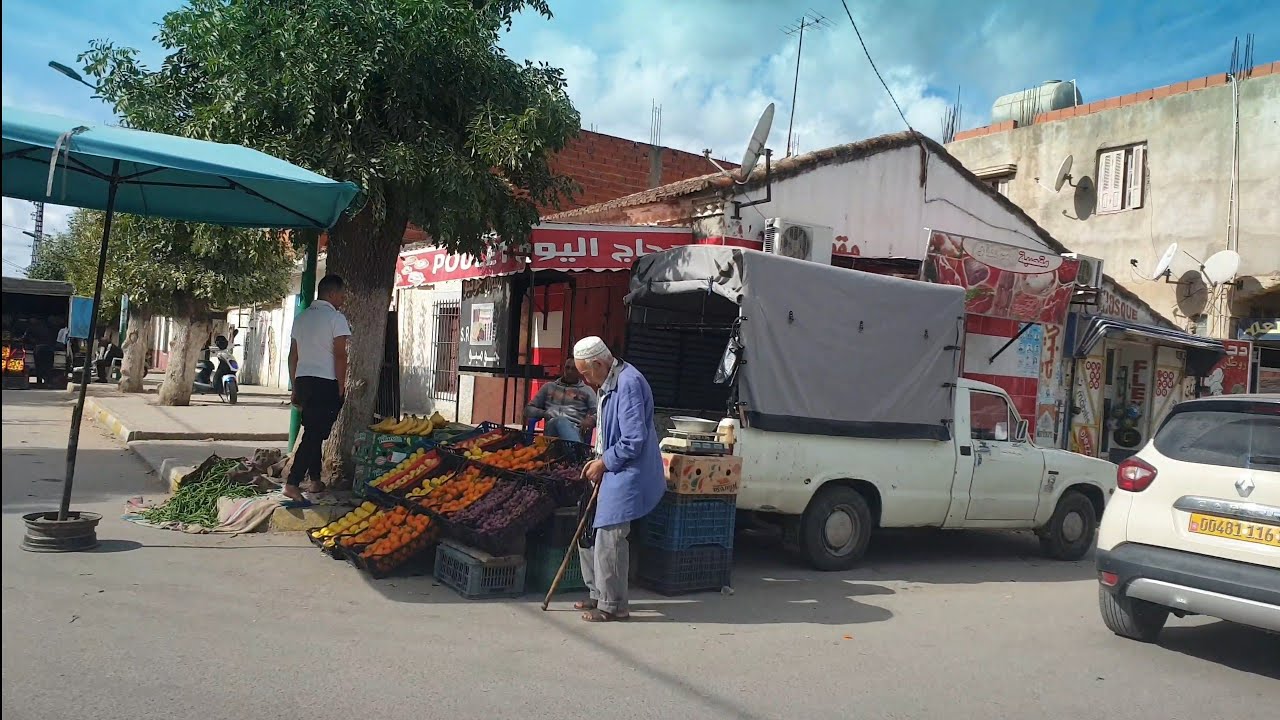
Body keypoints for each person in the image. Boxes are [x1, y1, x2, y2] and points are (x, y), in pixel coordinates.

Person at [571, 336, 665, 622]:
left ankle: (613, 605)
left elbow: (633, 439)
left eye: (586, 374)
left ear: (599, 364)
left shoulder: (628, 384)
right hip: (607, 464)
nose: (586, 381)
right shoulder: (607, 381)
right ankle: (598, 592)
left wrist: (604, 462)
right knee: (588, 532)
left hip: (626, 470)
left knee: (610, 537)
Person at [285, 275, 351, 503]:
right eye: (341, 295)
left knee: (312, 430)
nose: (343, 299)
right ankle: (293, 483)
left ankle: (314, 479)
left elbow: (293, 356)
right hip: (325, 381)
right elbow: (341, 355)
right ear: (331, 294)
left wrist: (294, 386)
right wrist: (341, 384)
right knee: (314, 434)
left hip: (303, 380)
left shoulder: (301, 318)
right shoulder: (336, 318)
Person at [524, 357, 597, 442]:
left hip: (575, 430)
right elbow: (527, 410)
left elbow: (599, 413)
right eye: (567, 368)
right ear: (563, 369)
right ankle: (577, 451)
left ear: (579, 371)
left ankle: (574, 449)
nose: (569, 371)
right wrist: (544, 413)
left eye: (573, 369)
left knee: (561, 422)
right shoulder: (549, 387)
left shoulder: (587, 391)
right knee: (559, 421)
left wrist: (591, 420)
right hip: (551, 431)